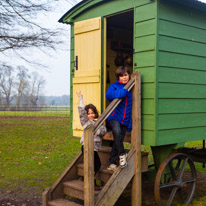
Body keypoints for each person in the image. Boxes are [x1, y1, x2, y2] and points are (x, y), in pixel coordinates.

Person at [76, 91, 107, 189]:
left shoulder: (98, 123)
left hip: (94, 148)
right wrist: (81, 100)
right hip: (86, 147)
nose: (91, 115)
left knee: (97, 165)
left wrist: (97, 130)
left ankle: (90, 180)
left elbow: (103, 131)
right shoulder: (85, 122)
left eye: (92, 113)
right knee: (91, 165)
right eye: (89, 113)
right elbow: (82, 114)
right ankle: (91, 183)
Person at [106, 66, 132, 171]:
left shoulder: (132, 87)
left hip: (125, 119)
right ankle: (122, 155)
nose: (124, 77)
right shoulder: (114, 86)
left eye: (126, 75)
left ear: (129, 75)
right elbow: (108, 95)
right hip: (114, 117)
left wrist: (130, 124)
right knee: (117, 131)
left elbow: (131, 107)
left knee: (118, 140)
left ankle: (111, 163)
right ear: (118, 77)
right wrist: (123, 92)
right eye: (121, 76)